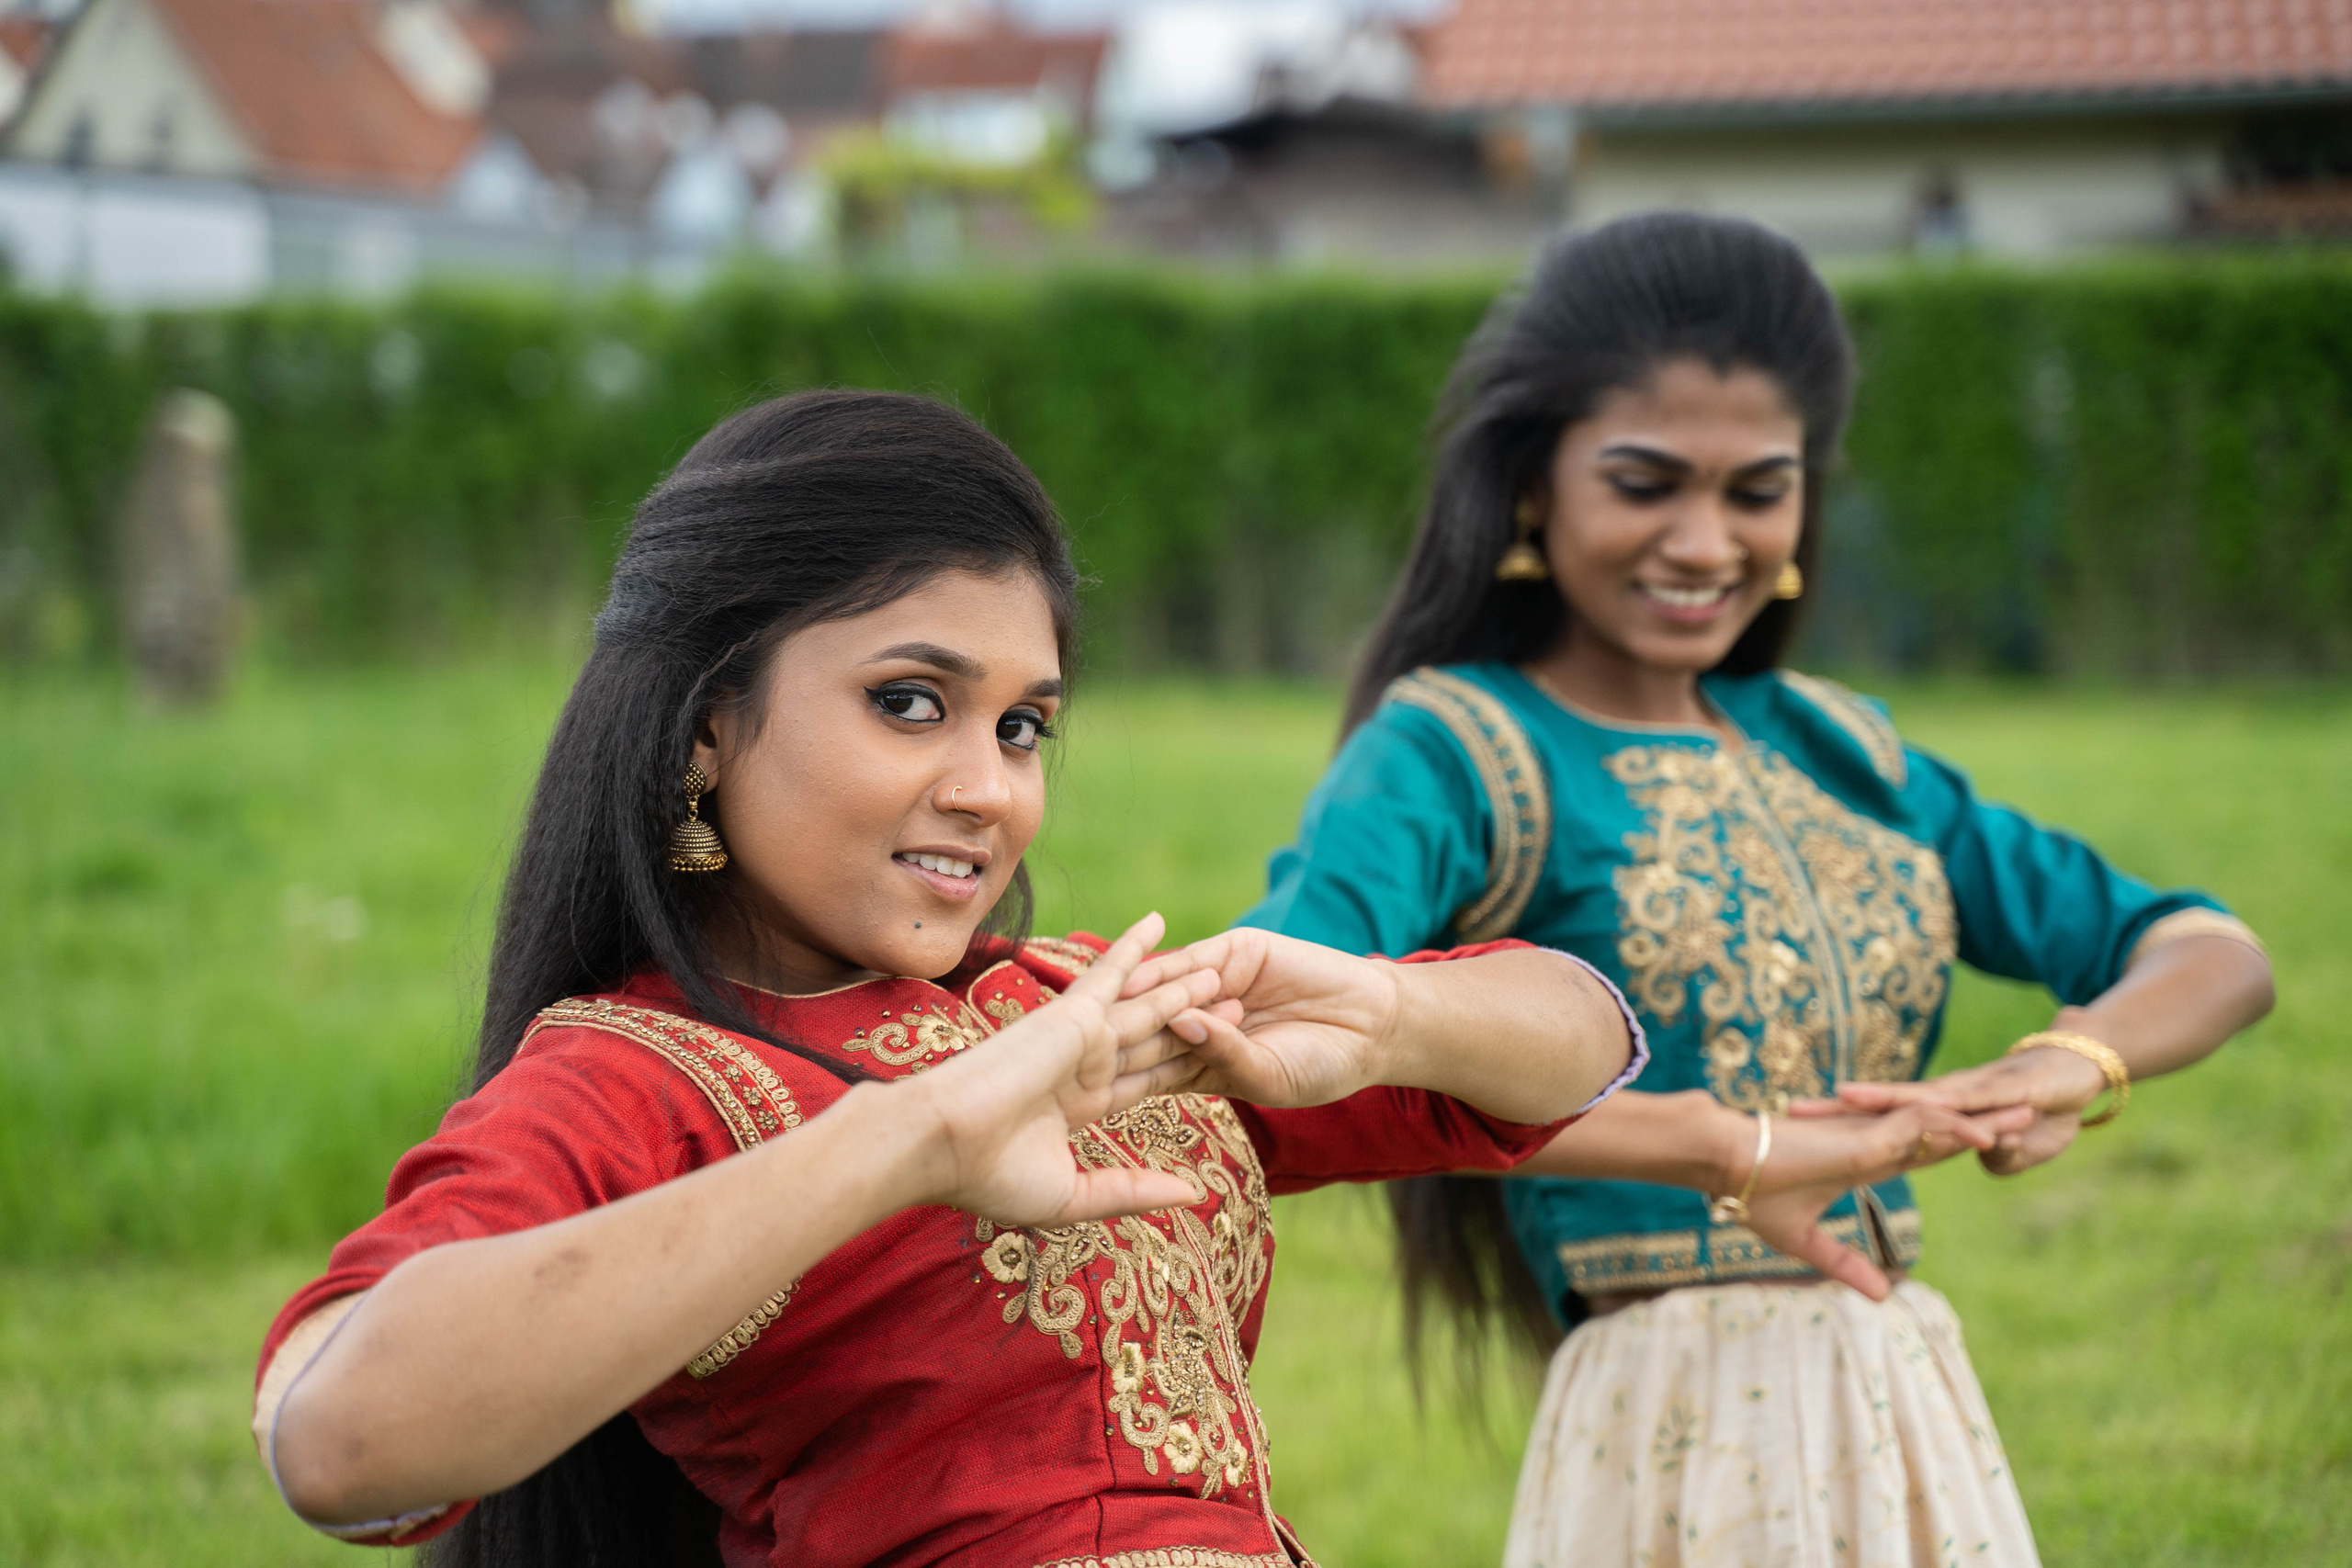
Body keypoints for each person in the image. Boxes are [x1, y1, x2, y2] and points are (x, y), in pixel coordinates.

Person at [248, 389, 1645, 1568]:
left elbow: (1580, 1041)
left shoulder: (1081, 1016)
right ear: (705, 731)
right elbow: (338, 1436)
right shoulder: (635, 1076)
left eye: (1025, 725)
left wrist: (1387, 1014)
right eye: (910, 702)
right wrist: (912, 1142)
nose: (988, 790)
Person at [1238, 213, 2275, 1566]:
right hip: (1670, 1409)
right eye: (1645, 482)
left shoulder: (1846, 749)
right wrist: (1732, 1151)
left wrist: (2066, 1062)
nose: (1703, 540)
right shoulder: (1456, 752)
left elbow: (2210, 952)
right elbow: (1271, 1036)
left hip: (1896, 1387)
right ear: (1534, 490)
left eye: (1755, 490)